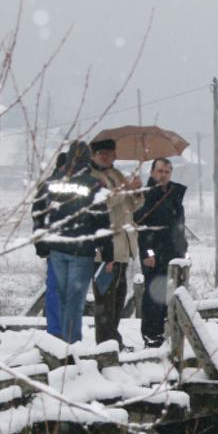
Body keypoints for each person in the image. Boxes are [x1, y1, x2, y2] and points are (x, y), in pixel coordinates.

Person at [38, 141, 113, 344]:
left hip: (57, 247)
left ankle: (59, 342)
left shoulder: (51, 183)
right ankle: (71, 345)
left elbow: (39, 213)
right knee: (75, 300)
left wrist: (42, 244)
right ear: (88, 159)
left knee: (61, 296)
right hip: (82, 250)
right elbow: (101, 221)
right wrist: (108, 253)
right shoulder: (93, 185)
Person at [88, 138, 143, 349]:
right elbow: (104, 203)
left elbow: (132, 206)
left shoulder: (116, 174)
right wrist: (122, 189)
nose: (105, 157)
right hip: (105, 247)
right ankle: (105, 344)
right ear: (93, 156)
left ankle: (114, 340)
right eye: (101, 153)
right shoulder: (92, 177)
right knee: (104, 299)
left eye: (109, 153)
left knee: (118, 299)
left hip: (124, 244)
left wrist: (136, 191)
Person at [133, 157, 188, 348]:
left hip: (174, 253)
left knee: (172, 295)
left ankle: (169, 332)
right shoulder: (145, 195)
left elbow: (179, 225)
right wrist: (148, 253)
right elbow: (142, 227)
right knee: (153, 296)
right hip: (154, 254)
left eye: (167, 172)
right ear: (152, 172)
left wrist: (184, 249)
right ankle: (152, 337)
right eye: (160, 171)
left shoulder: (175, 194)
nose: (163, 175)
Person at [31, 151, 67, 337]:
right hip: (64, 246)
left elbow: (37, 217)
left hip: (55, 245)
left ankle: (57, 329)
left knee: (56, 290)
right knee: (61, 290)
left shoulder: (46, 186)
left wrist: (41, 244)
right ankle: (59, 330)